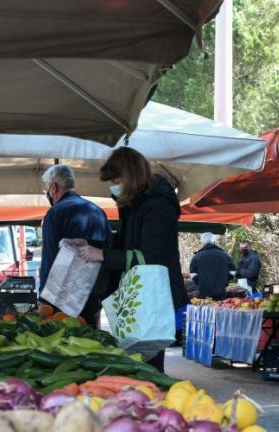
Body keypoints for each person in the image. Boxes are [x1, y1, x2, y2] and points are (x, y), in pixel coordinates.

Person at [77, 147, 186, 373]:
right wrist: (90, 245)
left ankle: (152, 392)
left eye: (116, 181)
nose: (113, 187)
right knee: (138, 359)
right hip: (138, 295)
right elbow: (126, 242)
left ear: (131, 175)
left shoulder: (158, 203)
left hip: (153, 296)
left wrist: (102, 255)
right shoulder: (135, 203)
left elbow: (150, 256)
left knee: (149, 362)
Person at [39, 165, 111, 328]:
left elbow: (49, 256)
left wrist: (43, 299)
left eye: (47, 188)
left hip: (63, 297)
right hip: (94, 293)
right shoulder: (98, 211)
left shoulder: (55, 213)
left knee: (65, 339)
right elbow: (108, 250)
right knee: (90, 337)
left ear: (53, 187)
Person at [189, 232, 234, 300]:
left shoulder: (197, 256)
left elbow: (193, 273)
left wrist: (200, 283)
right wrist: (225, 281)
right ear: (214, 241)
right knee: (221, 306)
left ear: (202, 241)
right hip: (221, 292)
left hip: (204, 292)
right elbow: (232, 271)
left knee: (206, 306)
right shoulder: (225, 255)